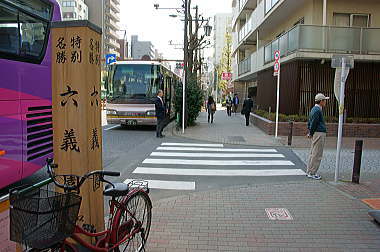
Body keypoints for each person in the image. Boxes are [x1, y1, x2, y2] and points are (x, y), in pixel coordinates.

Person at [306, 93, 329, 180]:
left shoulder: (314, 109)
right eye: (324, 100)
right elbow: (314, 123)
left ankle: (309, 171)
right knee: (317, 153)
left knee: (313, 153)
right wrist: (311, 133)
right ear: (321, 101)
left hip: (316, 133)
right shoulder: (317, 110)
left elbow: (310, 122)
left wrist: (310, 132)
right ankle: (312, 172)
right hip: (319, 133)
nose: (325, 102)